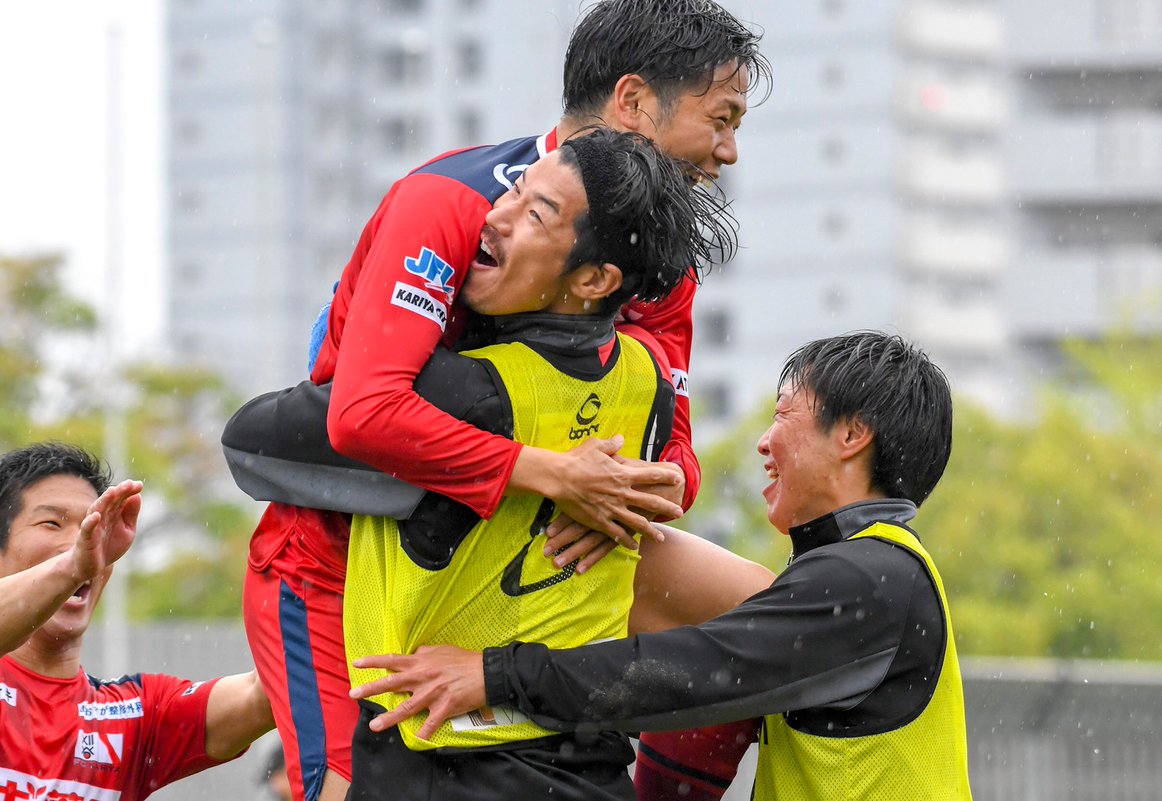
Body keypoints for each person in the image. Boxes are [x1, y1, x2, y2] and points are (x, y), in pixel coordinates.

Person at [237, 2, 770, 799]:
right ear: (631, 102)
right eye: (719, 120)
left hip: (522, 557)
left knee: (769, 619)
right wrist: (557, 475)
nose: (728, 151)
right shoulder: (453, 204)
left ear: (601, 279)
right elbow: (359, 415)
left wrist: (648, 489)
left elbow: (674, 452)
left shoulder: (660, 261)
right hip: (343, 563)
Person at [349, 332, 974, 801]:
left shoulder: (868, 578)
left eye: (784, 414)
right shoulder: (870, 569)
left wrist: (496, 674)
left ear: (852, 435)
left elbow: (692, 673)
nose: (764, 442)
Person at [0, 442, 275, 800]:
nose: (83, 544)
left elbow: (268, 693)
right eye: (51, 523)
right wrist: (71, 567)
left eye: (95, 527)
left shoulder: (138, 714)